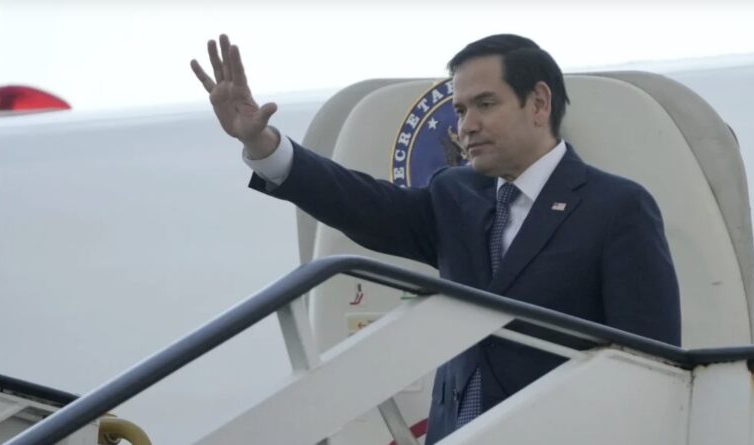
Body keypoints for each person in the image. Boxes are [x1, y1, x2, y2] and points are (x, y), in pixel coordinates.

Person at [191, 33, 681, 443]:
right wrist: (263, 145)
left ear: (538, 103)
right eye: (460, 109)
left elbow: (652, 368)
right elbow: (361, 204)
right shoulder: (455, 195)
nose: (466, 126)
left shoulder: (617, 208)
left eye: (485, 104)